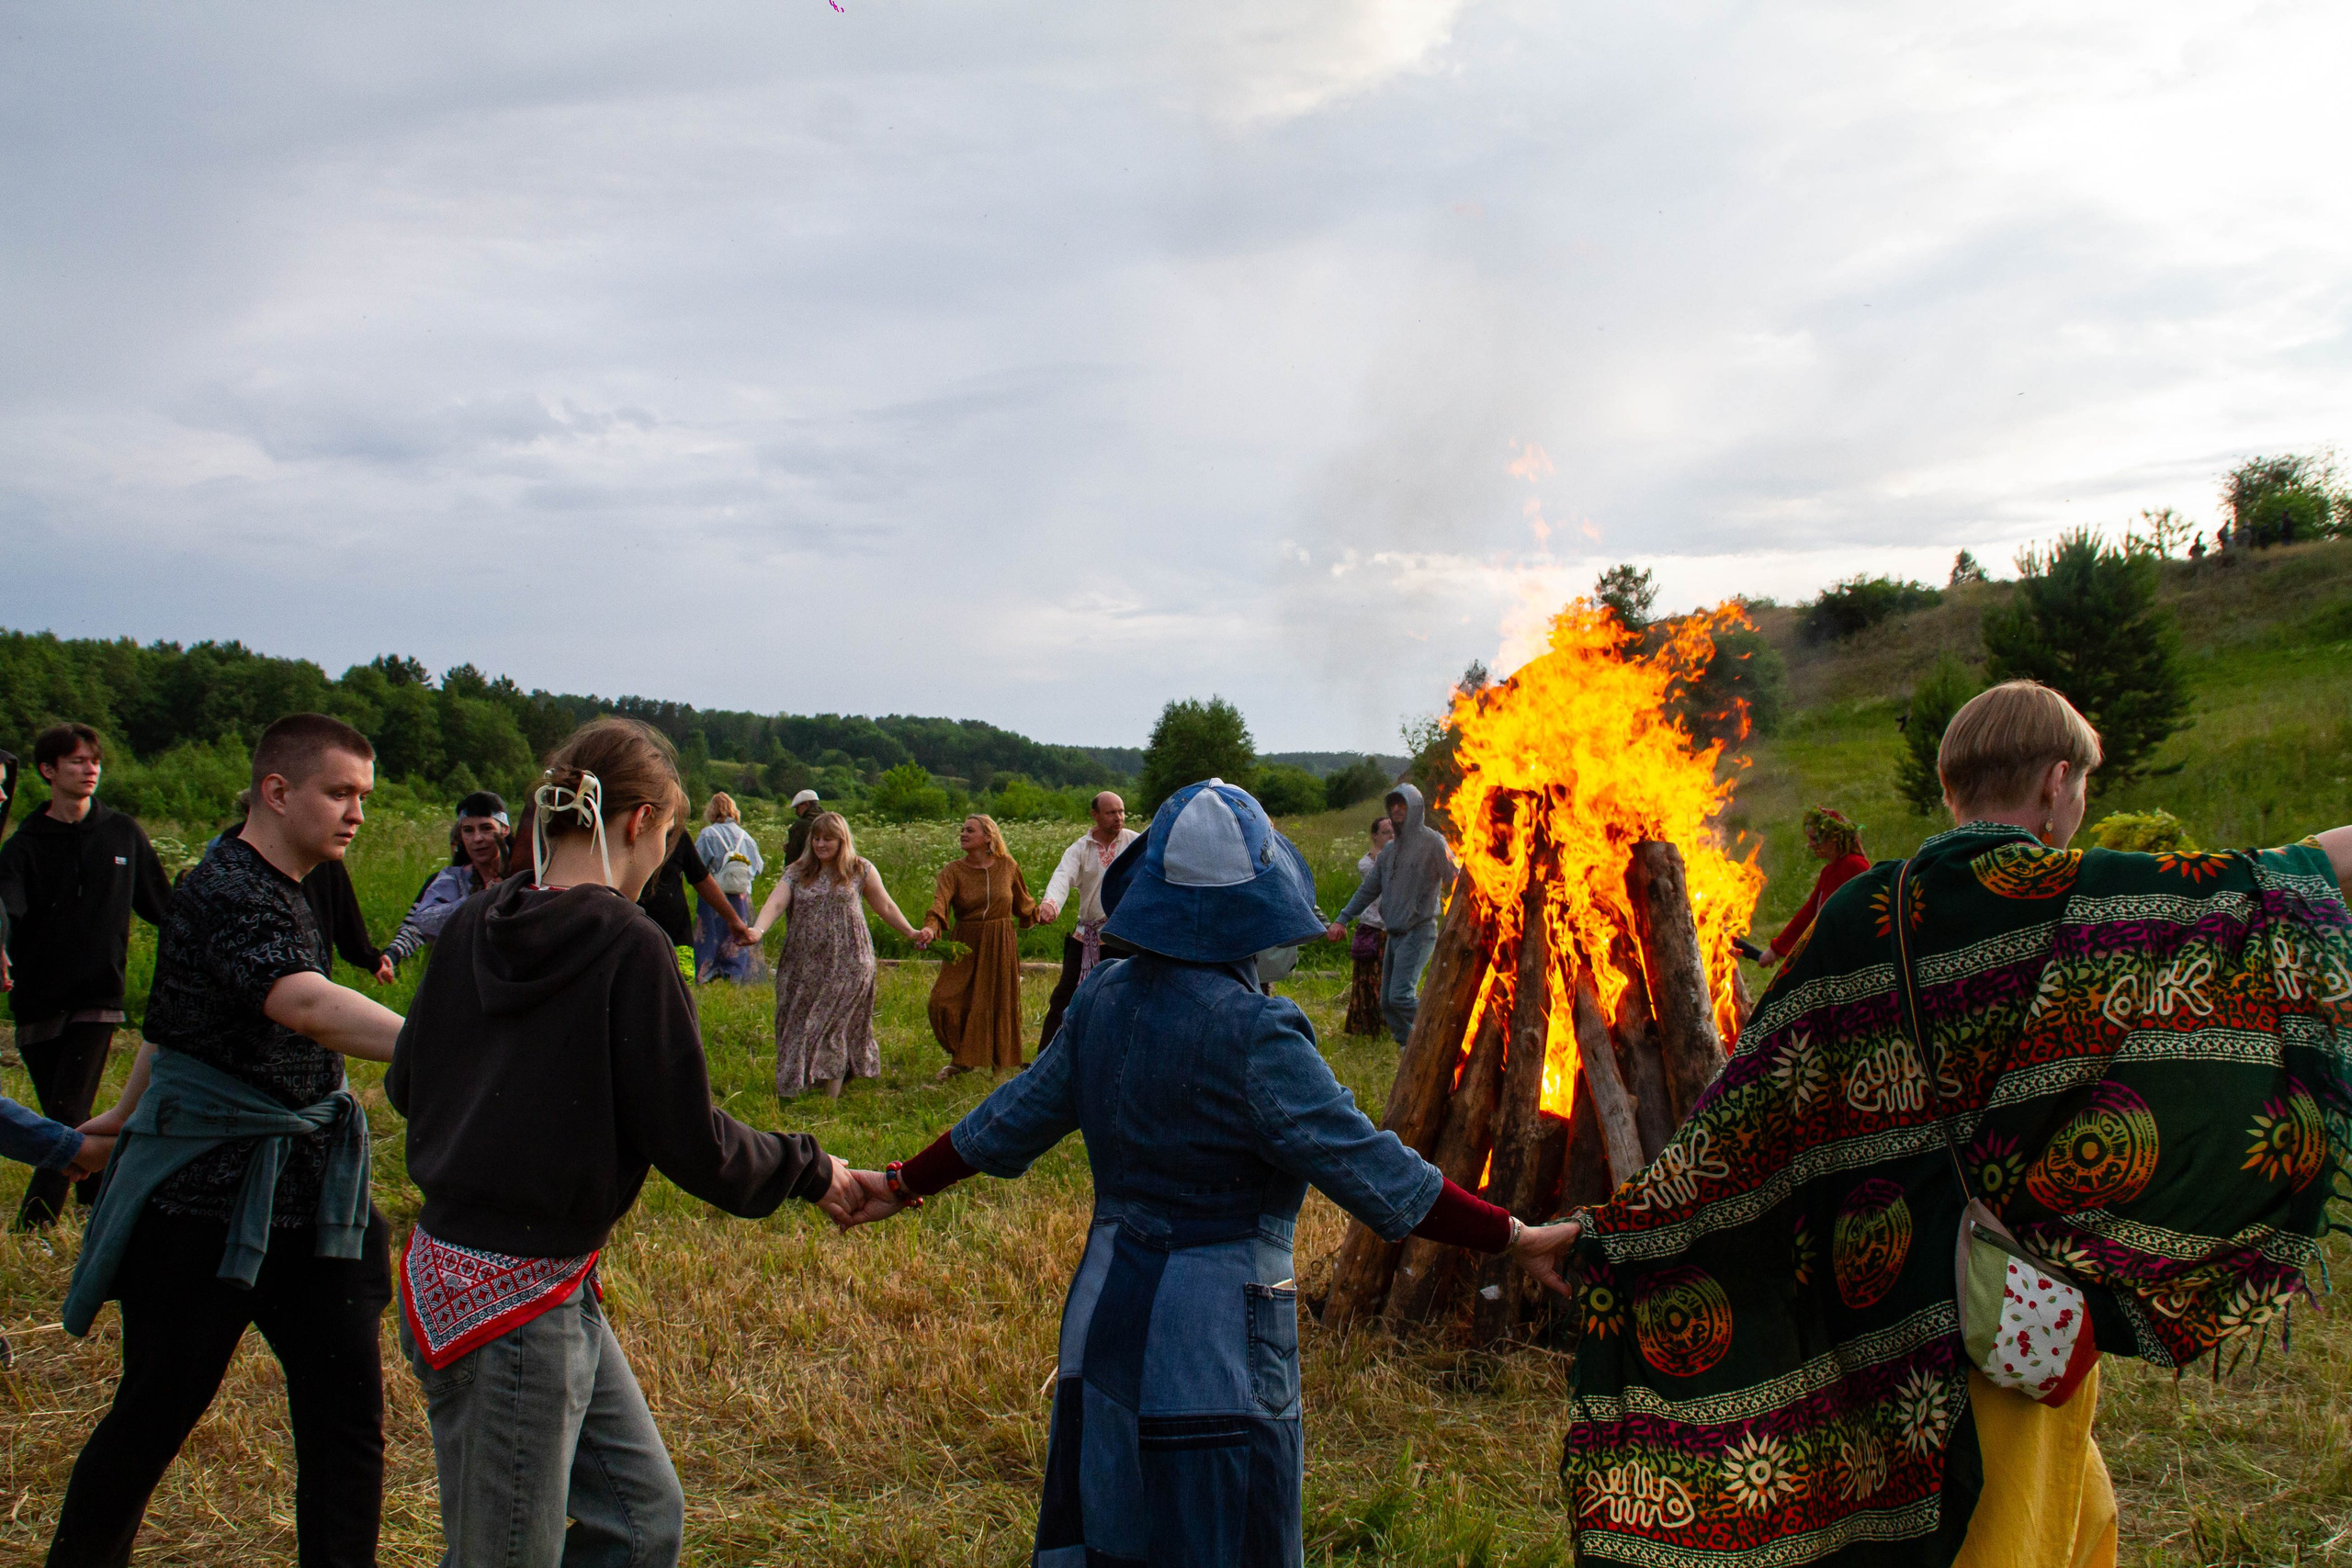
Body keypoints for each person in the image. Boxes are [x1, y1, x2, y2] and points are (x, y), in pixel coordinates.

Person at [1558, 681, 2352, 1566]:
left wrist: (1605, 1231)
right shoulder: (2076, 898)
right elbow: (2278, 882)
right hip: (2003, 1313)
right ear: (2056, 783)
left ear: (1950, 787)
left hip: (1876, 1309)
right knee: (2008, 1526)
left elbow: (1743, 1116)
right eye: (2081, 786)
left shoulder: (1861, 914)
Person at [845, 779, 1582, 1564]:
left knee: (1113, 1528)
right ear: (1257, 908)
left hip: (1102, 1313)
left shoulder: (1100, 999)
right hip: (1212, 1339)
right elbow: (1377, 1173)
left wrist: (899, 1182)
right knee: (1223, 1530)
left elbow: (1003, 1122)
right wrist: (1514, 1234)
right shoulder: (1257, 1032)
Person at [387, 718, 864, 1568]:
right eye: (671, 838)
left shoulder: (468, 925)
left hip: (479, 1278)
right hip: (514, 1307)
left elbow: (405, 1086)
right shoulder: (630, 944)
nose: (663, 862)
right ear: (639, 822)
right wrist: (810, 1166)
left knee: (639, 1518)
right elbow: (694, 1142)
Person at [50, 714, 409, 1568]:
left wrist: (118, 1117)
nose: (355, 811)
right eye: (339, 792)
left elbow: (167, 1029)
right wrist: (452, 1042)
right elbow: (307, 1004)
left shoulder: (296, 881)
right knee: (153, 1415)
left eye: (363, 794)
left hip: (313, 1209)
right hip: (205, 1211)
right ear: (277, 792)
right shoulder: (225, 887)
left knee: (347, 1425)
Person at [0, 723, 172, 1229]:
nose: (89, 768)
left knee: (66, 1110)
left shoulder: (122, 833)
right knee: (65, 1112)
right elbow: (6, 908)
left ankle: (34, 1223)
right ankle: (100, 1202)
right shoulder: (23, 847)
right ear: (47, 771)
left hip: (99, 995)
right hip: (36, 999)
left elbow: (164, 907)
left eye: (93, 760)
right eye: (75, 761)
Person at [748, 810, 927, 1100]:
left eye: (828, 839)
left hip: (850, 961)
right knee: (794, 1020)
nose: (820, 844)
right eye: (816, 838)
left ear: (842, 840)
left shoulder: (860, 870)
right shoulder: (798, 871)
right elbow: (777, 903)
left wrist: (910, 932)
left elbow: (886, 907)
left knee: (833, 1024)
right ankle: (796, 1086)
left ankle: (829, 1098)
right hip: (801, 963)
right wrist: (757, 930)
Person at [206, 789, 397, 985]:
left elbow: (343, 908)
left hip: (250, 976)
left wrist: (370, 959)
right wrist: (370, 959)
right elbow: (345, 911)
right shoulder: (317, 843)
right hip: (299, 971)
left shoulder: (222, 845)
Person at [1325, 782, 1453, 1045]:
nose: (1396, 809)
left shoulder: (1433, 842)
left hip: (1419, 930)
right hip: (1393, 933)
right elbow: (1368, 890)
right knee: (1386, 1003)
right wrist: (1342, 918)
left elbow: (1455, 879)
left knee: (1400, 997)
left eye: (1402, 804)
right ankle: (1411, 1048)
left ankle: (1444, 1033)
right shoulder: (1389, 852)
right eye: (1393, 804)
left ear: (1415, 807)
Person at [921, 814, 1036, 1081]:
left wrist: (1041, 913)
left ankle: (1000, 1064)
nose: (963, 833)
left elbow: (1023, 902)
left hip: (1000, 939)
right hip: (965, 942)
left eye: (970, 830)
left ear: (988, 837)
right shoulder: (952, 871)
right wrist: (930, 927)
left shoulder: (1007, 866)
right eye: (962, 829)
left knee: (998, 1000)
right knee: (943, 1000)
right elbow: (939, 904)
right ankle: (963, 1057)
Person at [1033, 791, 1136, 1049]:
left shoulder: (1135, 844)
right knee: (1064, 998)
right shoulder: (1080, 848)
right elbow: (1062, 877)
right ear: (1095, 815)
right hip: (1087, 938)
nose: (1119, 817)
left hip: (1124, 936)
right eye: (1111, 812)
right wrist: (1050, 905)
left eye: (1121, 811)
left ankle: (1119, 1057)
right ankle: (1044, 1059)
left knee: (1124, 997)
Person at [381, 790, 510, 973]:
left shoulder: (525, 874)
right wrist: (392, 955)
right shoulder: (451, 879)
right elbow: (420, 924)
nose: (477, 838)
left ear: (504, 830)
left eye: (486, 828)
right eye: (468, 830)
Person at [1753, 804, 1871, 968]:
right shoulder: (1829, 871)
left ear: (1833, 839)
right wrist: (1776, 949)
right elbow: (1809, 913)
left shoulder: (1855, 866)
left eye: (1815, 839)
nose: (1810, 844)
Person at [692, 791, 763, 983]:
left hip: (714, 893)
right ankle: (735, 973)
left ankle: (706, 972)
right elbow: (758, 868)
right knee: (736, 935)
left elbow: (697, 863)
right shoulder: (746, 836)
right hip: (740, 894)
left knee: (709, 932)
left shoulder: (708, 834)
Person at [1342, 814, 1396, 1036]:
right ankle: (1369, 1026)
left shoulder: (1396, 857)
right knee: (1369, 980)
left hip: (1392, 927)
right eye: (1385, 832)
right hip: (1372, 926)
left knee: (1391, 980)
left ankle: (1389, 1025)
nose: (1391, 836)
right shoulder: (1367, 863)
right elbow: (1379, 885)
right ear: (1374, 836)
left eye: (1393, 832)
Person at [784, 786, 822, 866]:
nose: (796, 812)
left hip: (806, 872)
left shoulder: (800, 826)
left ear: (806, 804)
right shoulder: (831, 822)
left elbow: (792, 857)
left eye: (797, 808)